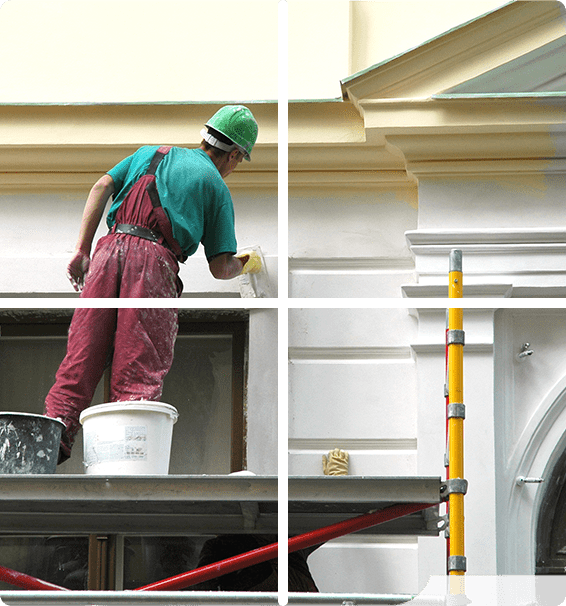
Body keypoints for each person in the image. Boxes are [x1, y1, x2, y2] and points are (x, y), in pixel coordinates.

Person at [44, 105, 261, 462]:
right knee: (138, 366)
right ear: (235, 154)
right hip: (152, 265)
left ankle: (47, 448)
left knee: (81, 357)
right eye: (239, 160)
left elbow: (101, 185)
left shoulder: (150, 153)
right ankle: (124, 464)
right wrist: (246, 263)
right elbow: (221, 268)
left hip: (106, 252)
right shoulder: (214, 186)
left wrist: (82, 250)